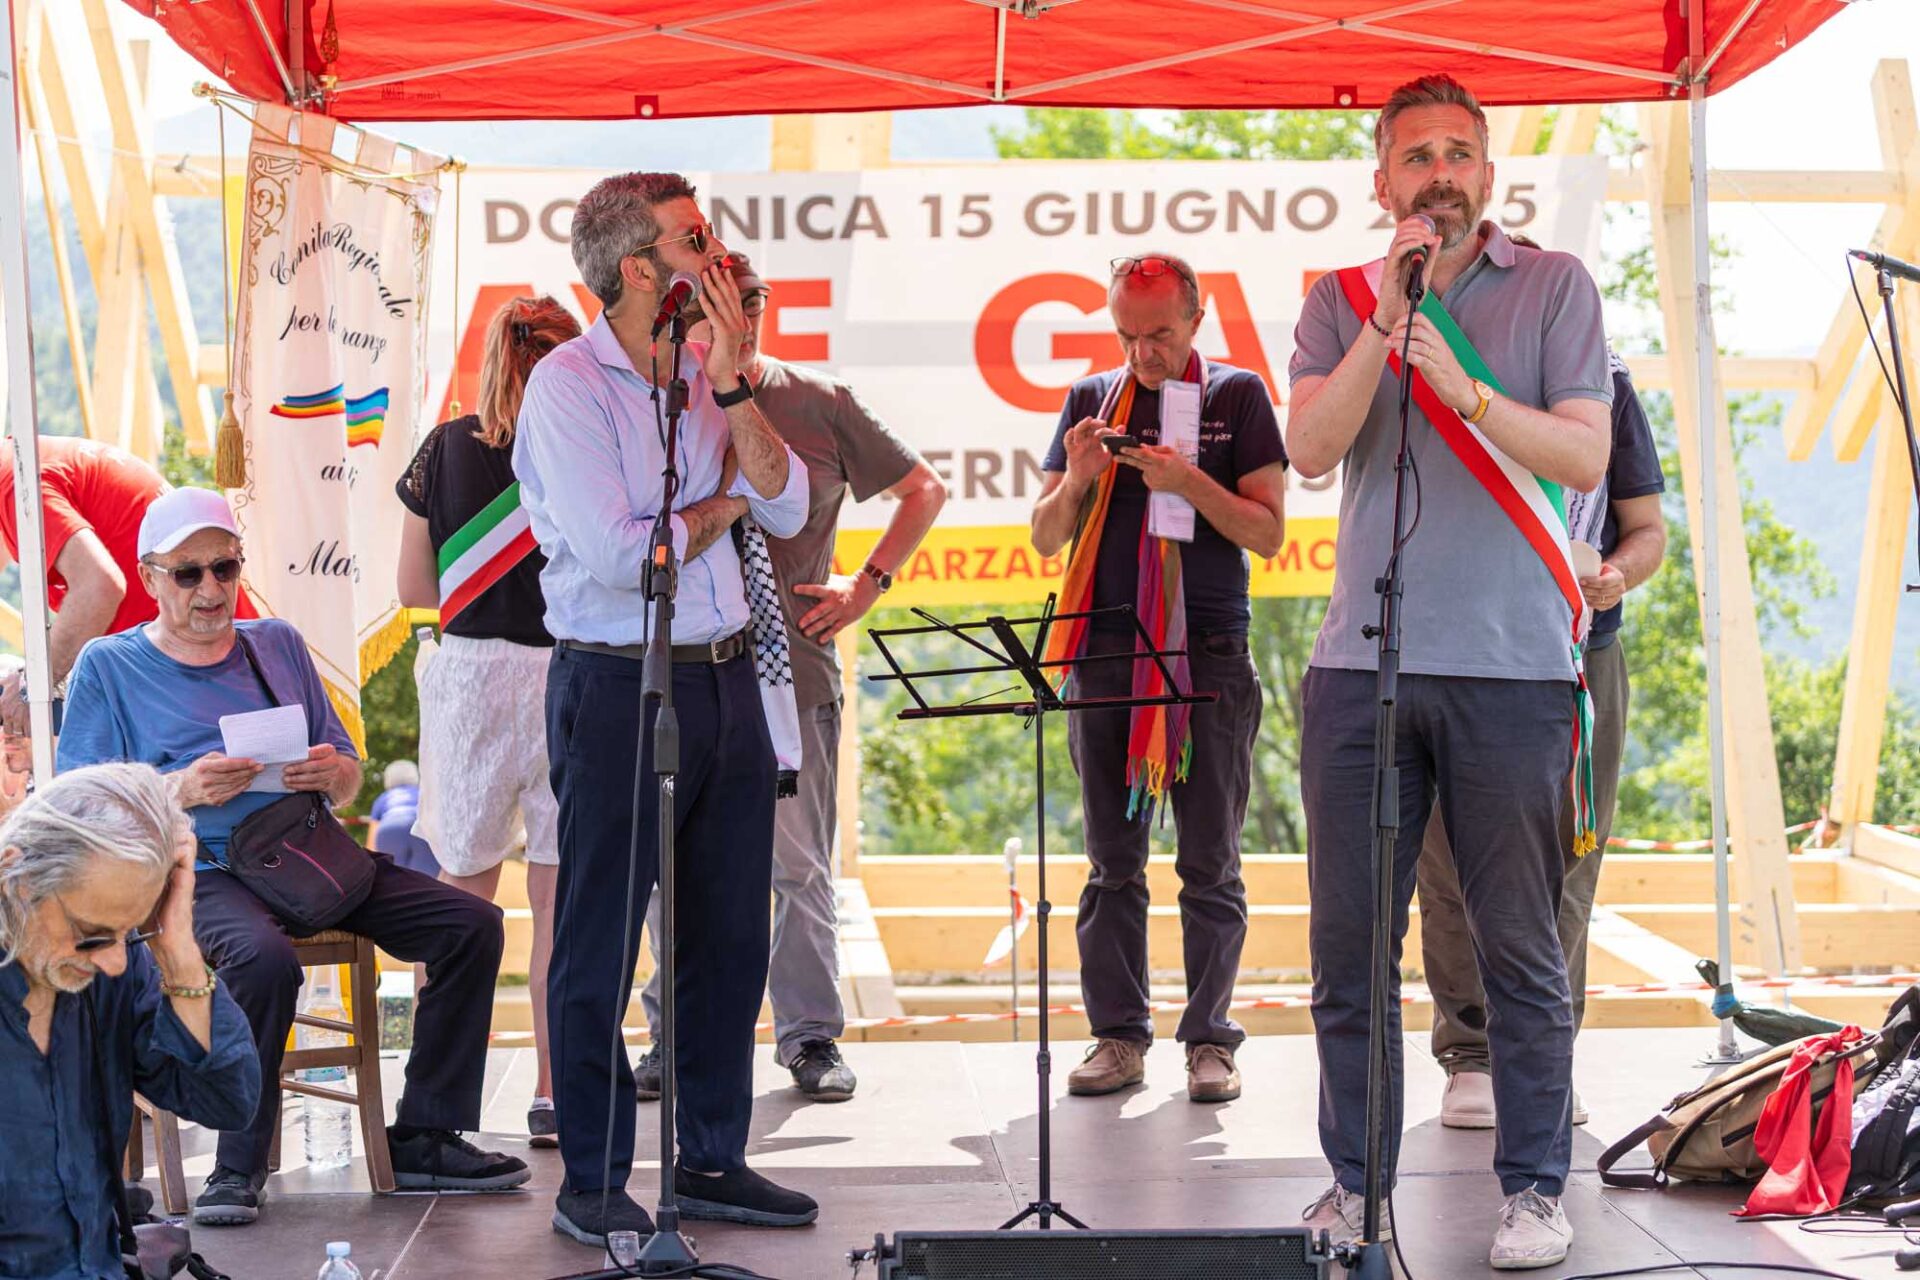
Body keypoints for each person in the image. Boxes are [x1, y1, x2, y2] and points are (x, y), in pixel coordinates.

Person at [1286, 73, 1613, 1270]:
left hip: (1512, 668)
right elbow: (1311, 447)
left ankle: (1532, 1188)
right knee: (1349, 950)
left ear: (1490, 172)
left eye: (1459, 153)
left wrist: (1469, 392)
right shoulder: (1339, 299)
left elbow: (1584, 450)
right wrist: (1385, 324)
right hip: (1360, 667)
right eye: (1416, 155)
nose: (1440, 174)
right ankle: (1355, 1181)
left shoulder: (1555, 286)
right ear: (1382, 181)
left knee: (1518, 945)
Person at [57, 486, 529, 1229]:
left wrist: (331, 772)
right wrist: (179, 788)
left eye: (224, 568)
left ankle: (425, 1135)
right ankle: (237, 1165)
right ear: (149, 577)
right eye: (188, 574)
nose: (211, 590)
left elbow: (345, 769)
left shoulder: (274, 642)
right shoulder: (109, 666)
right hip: (195, 871)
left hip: (305, 852)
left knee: (471, 924)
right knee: (263, 960)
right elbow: (80, 806)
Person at [515, 171, 816, 1246]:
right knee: (599, 936)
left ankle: (714, 1157)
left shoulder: (706, 369)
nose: (719, 255)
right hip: (616, 679)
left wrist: (732, 390)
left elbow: (790, 501)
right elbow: (618, 555)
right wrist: (719, 505)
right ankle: (594, 1180)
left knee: (729, 933)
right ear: (641, 269)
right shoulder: (568, 385)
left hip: (727, 675)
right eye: (697, 240)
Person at [636, 253, 947, 1104]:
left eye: (749, 307)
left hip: (793, 671)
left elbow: (923, 490)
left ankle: (809, 1034)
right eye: (716, 310)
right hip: (684, 668)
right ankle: (672, 1035)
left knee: (798, 866)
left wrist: (866, 586)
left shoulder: (819, 401)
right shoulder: (665, 402)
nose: (735, 325)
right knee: (672, 866)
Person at [1029, 250, 1287, 1105]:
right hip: (1104, 650)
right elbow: (1044, 536)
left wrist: (1187, 481)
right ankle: (1118, 1036)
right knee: (1111, 862)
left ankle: (1210, 1041)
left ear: (1197, 320)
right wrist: (1079, 478)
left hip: (1207, 650)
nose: (1143, 354)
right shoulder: (1090, 401)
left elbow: (1267, 533)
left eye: (1161, 336)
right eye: (1127, 336)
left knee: (1210, 861)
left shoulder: (1237, 397)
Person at [1418, 335, 1667, 1130]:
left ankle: (1543, 1053)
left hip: (1578, 649)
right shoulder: (1440, 354)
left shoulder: (1608, 379)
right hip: (1454, 646)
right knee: (1448, 856)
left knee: (1570, 855)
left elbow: (1647, 528)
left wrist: (1617, 575)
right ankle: (1471, 1054)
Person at [397, 293, 581, 1148]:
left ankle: (439, 1111)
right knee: (560, 905)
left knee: (462, 909)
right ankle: (555, 1091)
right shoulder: (583, 443)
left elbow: (414, 589)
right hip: (569, 675)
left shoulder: (442, 449)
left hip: (471, 678)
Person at [0, 762, 259, 1279]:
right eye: (92, 934)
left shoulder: (110, 972)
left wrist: (177, 951)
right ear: (17, 880)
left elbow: (226, 1102)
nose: (115, 961)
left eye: (132, 932)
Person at [0, 435, 256, 736]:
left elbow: (100, 587)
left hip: (206, 677)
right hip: (208, 665)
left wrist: (32, 685)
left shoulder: (14, 483)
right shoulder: (27, 460)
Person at [367, 760, 435, 878]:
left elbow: (372, 839)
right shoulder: (422, 794)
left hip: (389, 827)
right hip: (419, 825)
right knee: (427, 877)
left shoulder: (382, 798)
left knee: (392, 877)